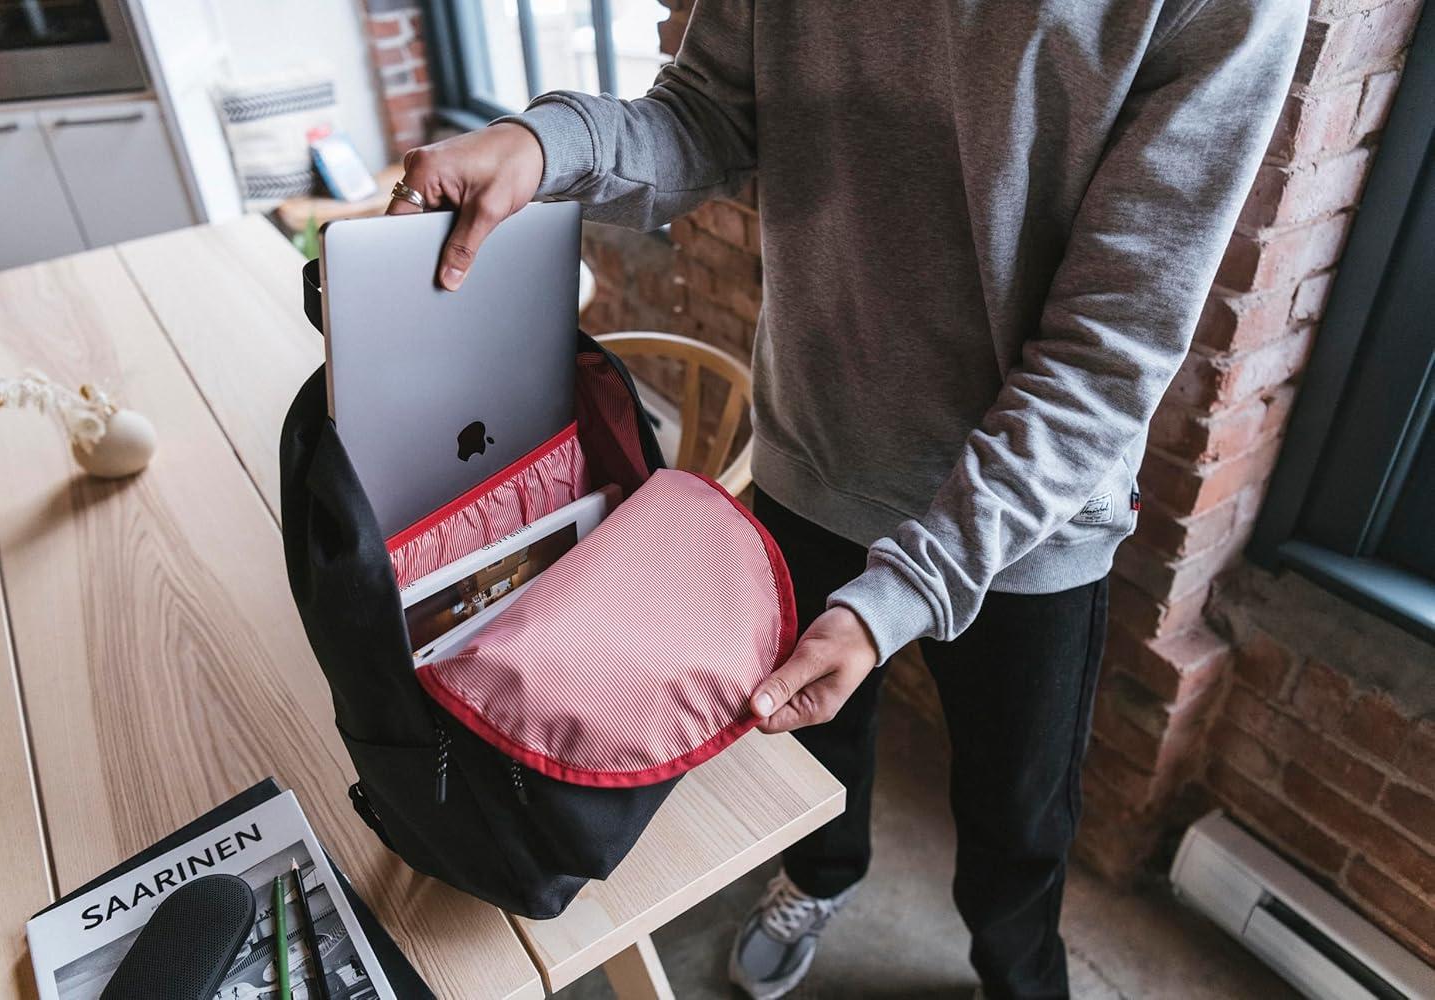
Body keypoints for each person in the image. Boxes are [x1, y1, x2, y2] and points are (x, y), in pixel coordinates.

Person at [388, 2, 1307, 996]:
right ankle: (822, 874)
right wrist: (543, 142)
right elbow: (709, 114)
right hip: (813, 455)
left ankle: (1021, 974)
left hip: (1028, 522)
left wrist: (904, 592)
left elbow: (1111, 349)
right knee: (816, 753)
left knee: (1017, 821)